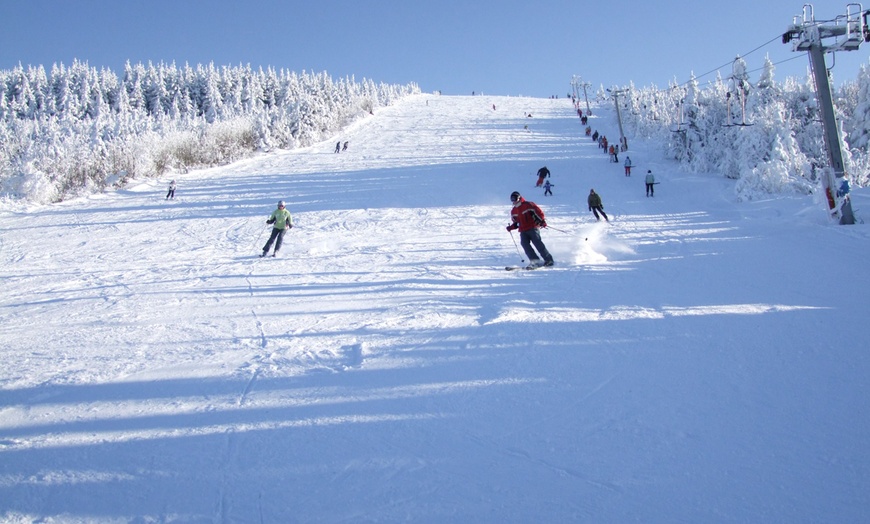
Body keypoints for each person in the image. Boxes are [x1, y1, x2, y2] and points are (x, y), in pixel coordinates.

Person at [506, 191, 554, 268]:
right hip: (523, 230)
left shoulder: (528, 205)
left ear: (519, 198)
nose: (513, 201)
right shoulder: (514, 210)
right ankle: (535, 261)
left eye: (514, 198)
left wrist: (542, 221)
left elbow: (539, 213)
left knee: (537, 243)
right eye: (512, 199)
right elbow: (517, 223)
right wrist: (510, 227)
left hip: (532, 228)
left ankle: (549, 260)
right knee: (524, 244)